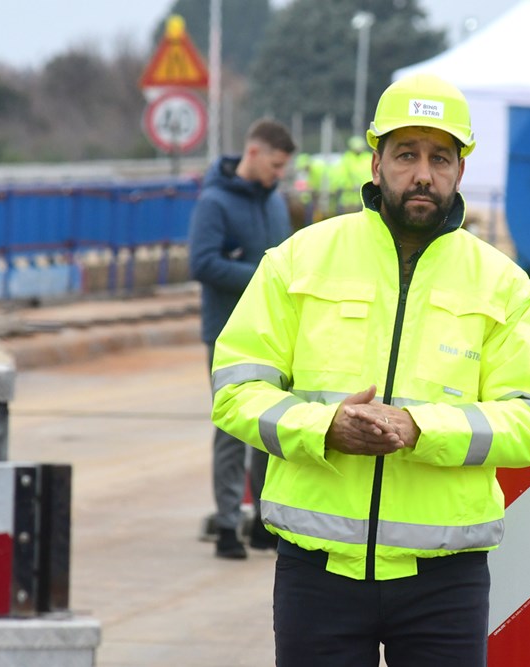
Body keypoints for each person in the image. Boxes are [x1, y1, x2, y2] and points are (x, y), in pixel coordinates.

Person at [210, 73, 530, 665]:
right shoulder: (297, 261)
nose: (423, 173)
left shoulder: (506, 286)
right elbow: (235, 390)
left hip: (446, 579)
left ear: (460, 170)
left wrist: (422, 428)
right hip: (316, 571)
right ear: (376, 164)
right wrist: (324, 427)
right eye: (406, 155)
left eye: (439, 158)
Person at [188, 118, 296, 559]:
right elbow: (202, 262)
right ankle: (228, 525)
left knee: (270, 425)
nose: (279, 175)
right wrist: (261, 277)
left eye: (283, 168)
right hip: (227, 333)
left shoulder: (275, 202)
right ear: (253, 153)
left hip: (274, 333)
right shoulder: (214, 203)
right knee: (232, 429)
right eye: (275, 165)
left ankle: (264, 523)